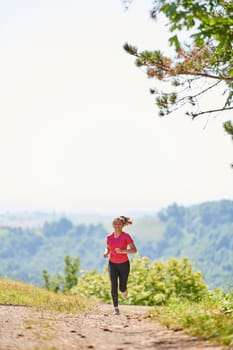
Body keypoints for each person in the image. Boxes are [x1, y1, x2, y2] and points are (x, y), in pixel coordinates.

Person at [103, 215, 137, 315]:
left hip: (124, 264)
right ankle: (116, 308)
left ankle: (124, 290)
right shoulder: (109, 237)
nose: (117, 225)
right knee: (113, 285)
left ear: (123, 225)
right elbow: (108, 248)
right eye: (115, 223)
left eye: (119, 224)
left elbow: (134, 250)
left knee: (122, 287)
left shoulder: (126, 236)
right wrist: (106, 252)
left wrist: (122, 251)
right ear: (112, 225)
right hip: (112, 264)